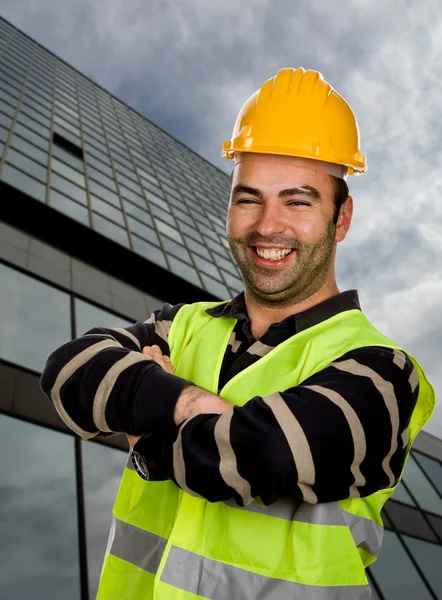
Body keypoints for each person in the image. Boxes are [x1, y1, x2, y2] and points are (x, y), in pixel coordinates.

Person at [40, 67, 435, 600]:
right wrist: (187, 405)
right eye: (248, 199)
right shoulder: (182, 324)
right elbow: (66, 371)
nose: (267, 225)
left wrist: (146, 422)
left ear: (341, 219)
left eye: (298, 201)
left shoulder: (383, 372)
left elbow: (262, 455)